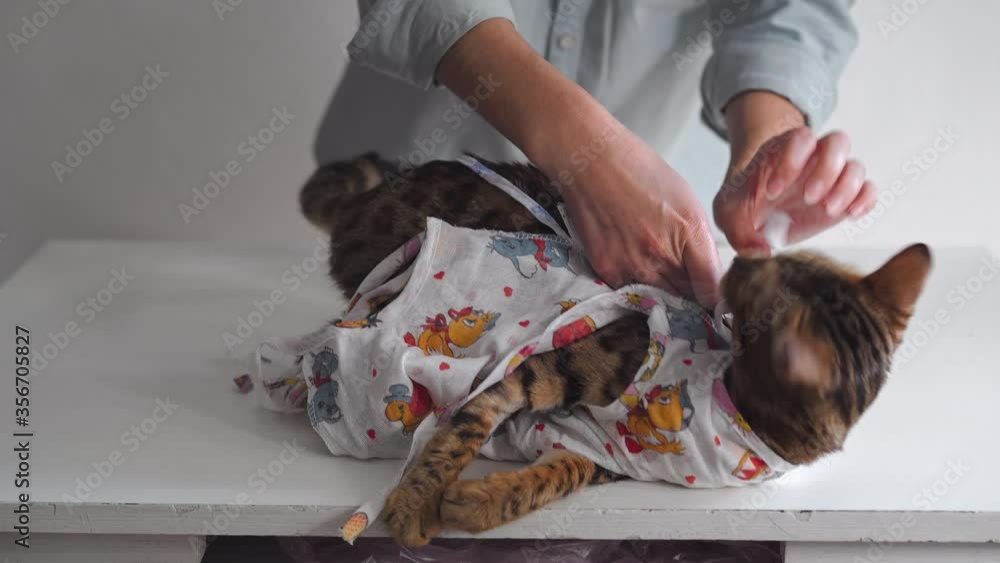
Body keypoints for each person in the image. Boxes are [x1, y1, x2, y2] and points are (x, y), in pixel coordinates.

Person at [315, 0, 874, 307]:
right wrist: (590, 154)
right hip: (393, 210)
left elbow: (787, 8)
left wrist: (767, 147)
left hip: (613, 260)